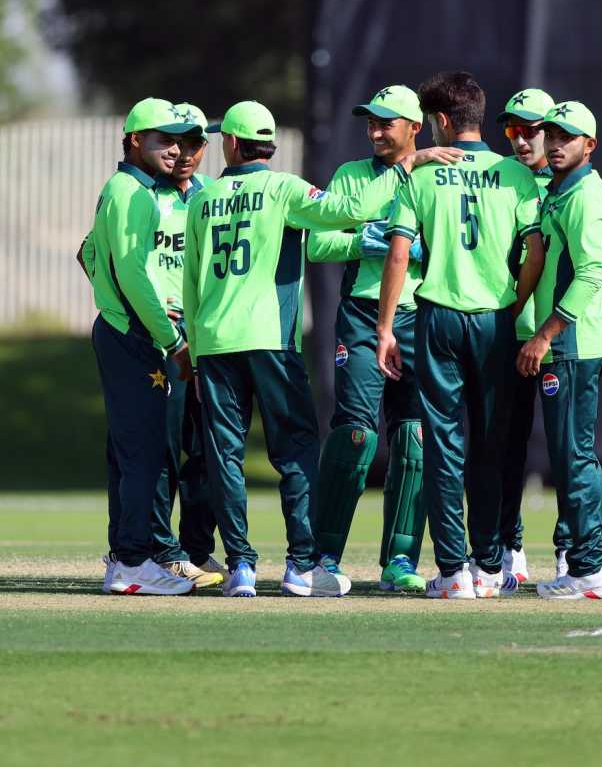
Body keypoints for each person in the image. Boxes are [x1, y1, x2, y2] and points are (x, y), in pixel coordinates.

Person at [183, 100, 457, 598]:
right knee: (300, 451)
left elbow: (189, 285)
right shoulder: (289, 186)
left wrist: (195, 355)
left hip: (216, 342)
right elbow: (342, 218)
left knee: (225, 456)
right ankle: (305, 563)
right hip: (273, 338)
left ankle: (243, 565)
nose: (373, 131)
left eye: (383, 121)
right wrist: (405, 175)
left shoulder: (204, 198)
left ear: (230, 142)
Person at [377, 71, 544, 599]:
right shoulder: (513, 174)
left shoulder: (422, 175)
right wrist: (514, 302)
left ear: (444, 121)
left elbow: (400, 252)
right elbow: (536, 250)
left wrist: (384, 328)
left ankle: (452, 573)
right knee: (492, 443)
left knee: (444, 445)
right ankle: (491, 566)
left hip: (437, 316)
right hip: (495, 317)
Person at [307, 85, 461, 592]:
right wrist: (368, 238)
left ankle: (400, 560)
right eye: (370, 123)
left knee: (415, 438)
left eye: (385, 123)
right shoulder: (353, 175)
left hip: (424, 314)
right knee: (354, 433)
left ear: (414, 126)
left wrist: (424, 250)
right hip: (361, 312)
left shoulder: (440, 174)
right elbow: (321, 241)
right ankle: (323, 556)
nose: (374, 131)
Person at [82, 97, 199, 595]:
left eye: (179, 140)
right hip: (136, 337)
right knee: (144, 453)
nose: (174, 150)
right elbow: (131, 271)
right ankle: (131, 564)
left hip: (124, 329)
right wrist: (169, 336)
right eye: (162, 140)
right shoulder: (132, 192)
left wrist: (110, 300)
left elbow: (87, 253)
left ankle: (129, 556)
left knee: (134, 452)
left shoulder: (129, 188)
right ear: (135, 141)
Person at [516, 101, 602, 600]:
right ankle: (601, 557)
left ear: (590, 145)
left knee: (572, 457)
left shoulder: (582, 195)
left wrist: (545, 335)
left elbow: (591, 275)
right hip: (576, 341)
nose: (556, 144)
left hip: (571, 344)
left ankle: (586, 569)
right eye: (552, 135)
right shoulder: (565, 191)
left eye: (568, 137)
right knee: (578, 455)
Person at [146, 103, 226, 589]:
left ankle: (198, 549)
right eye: (177, 142)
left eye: (196, 142)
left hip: (208, 341)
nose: (185, 152)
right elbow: (94, 256)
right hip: (164, 342)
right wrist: (154, 318)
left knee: (206, 452)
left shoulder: (213, 198)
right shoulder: (142, 197)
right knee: (161, 451)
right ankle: (159, 551)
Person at [494, 87, 555, 583]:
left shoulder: (573, 183)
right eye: (512, 130)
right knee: (504, 443)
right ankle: (508, 545)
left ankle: (581, 550)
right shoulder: (499, 179)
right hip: (511, 332)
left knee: (569, 449)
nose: (519, 140)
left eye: (529, 130)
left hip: (557, 333)